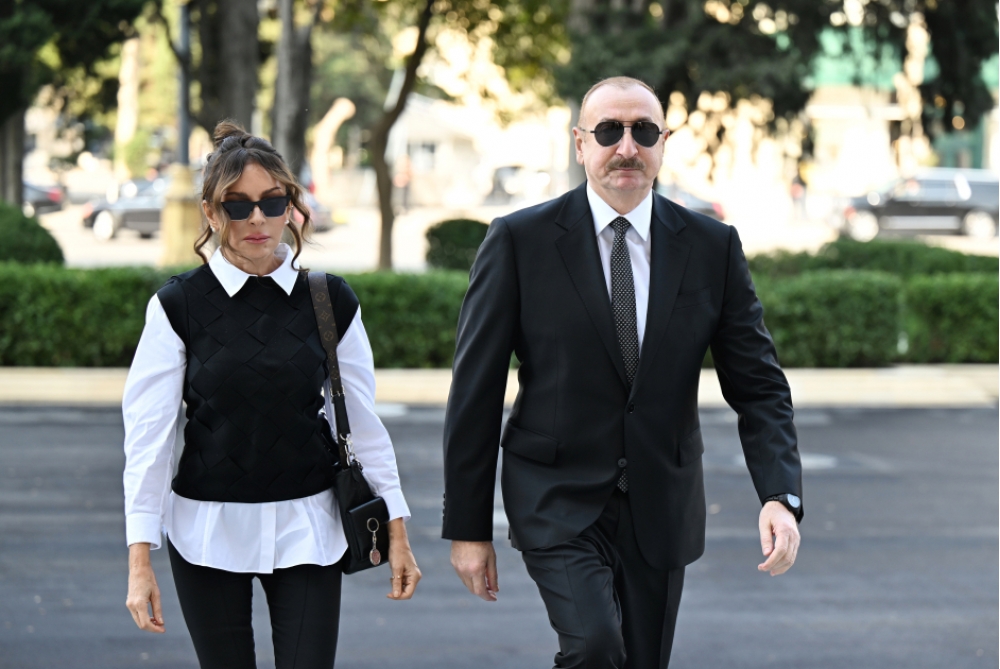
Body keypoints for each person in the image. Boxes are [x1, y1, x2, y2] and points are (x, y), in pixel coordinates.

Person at [442, 77, 802, 668]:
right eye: (609, 131)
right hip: (554, 496)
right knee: (595, 647)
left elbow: (760, 387)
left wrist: (779, 496)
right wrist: (468, 527)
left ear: (665, 142)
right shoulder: (519, 241)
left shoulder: (711, 247)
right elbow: (475, 394)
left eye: (644, 131)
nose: (627, 147)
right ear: (580, 143)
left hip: (662, 502)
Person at [123, 121, 420, 668]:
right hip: (206, 532)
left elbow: (360, 424)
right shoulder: (177, 306)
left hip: (310, 527)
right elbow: (149, 439)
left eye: (272, 202)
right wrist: (139, 559)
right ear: (211, 213)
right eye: (237, 205)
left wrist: (395, 527)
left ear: (291, 207)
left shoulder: (331, 300)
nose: (257, 218)